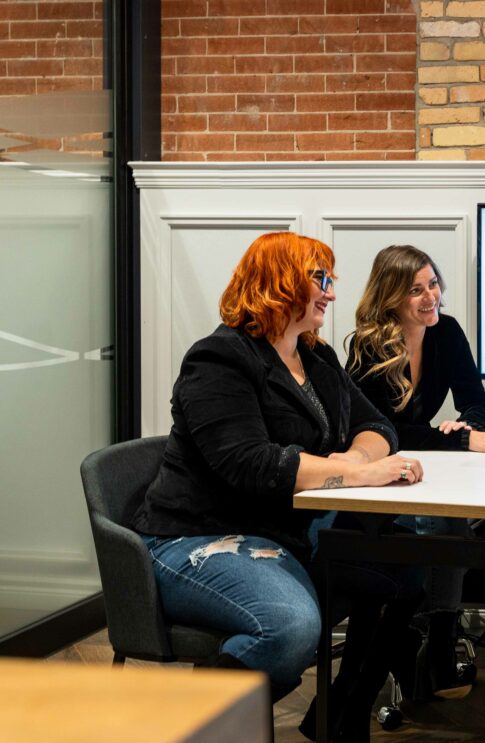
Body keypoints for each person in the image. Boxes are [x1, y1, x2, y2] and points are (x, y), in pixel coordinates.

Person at [131, 232, 425, 743]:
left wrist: (355, 458)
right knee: (289, 628)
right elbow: (250, 465)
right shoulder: (219, 359)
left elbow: (380, 427)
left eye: (329, 280)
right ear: (279, 283)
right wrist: (357, 473)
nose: (331, 292)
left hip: (283, 533)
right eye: (320, 279)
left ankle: (338, 721)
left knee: (406, 569)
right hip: (195, 539)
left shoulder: (317, 358)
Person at [345, 244, 485, 699]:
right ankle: (434, 645)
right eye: (415, 291)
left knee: (452, 522)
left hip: (422, 465)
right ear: (390, 297)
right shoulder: (369, 349)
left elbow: (477, 401)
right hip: (376, 476)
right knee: (444, 524)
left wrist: (467, 425)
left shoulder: (445, 333)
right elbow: (385, 431)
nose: (431, 298)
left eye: (433, 285)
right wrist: (459, 439)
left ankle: (436, 641)